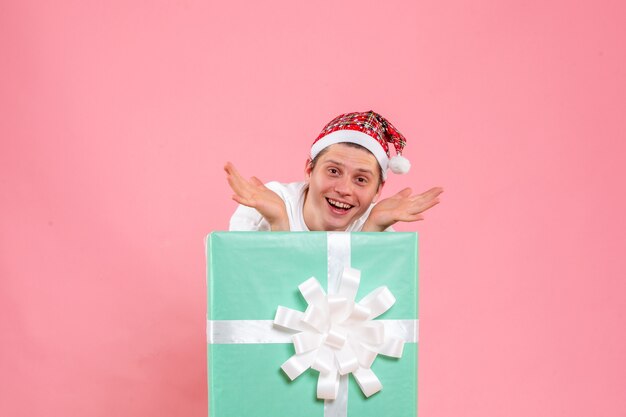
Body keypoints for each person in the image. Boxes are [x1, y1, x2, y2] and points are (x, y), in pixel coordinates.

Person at [225, 110, 443, 232]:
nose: (344, 189)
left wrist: (373, 230)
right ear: (309, 170)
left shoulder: (377, 223)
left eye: (361, 179)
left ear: (378, 190)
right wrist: (279, 224)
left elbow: (366, 307)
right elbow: (242, 295)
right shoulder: (264, 205)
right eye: (333, 171)